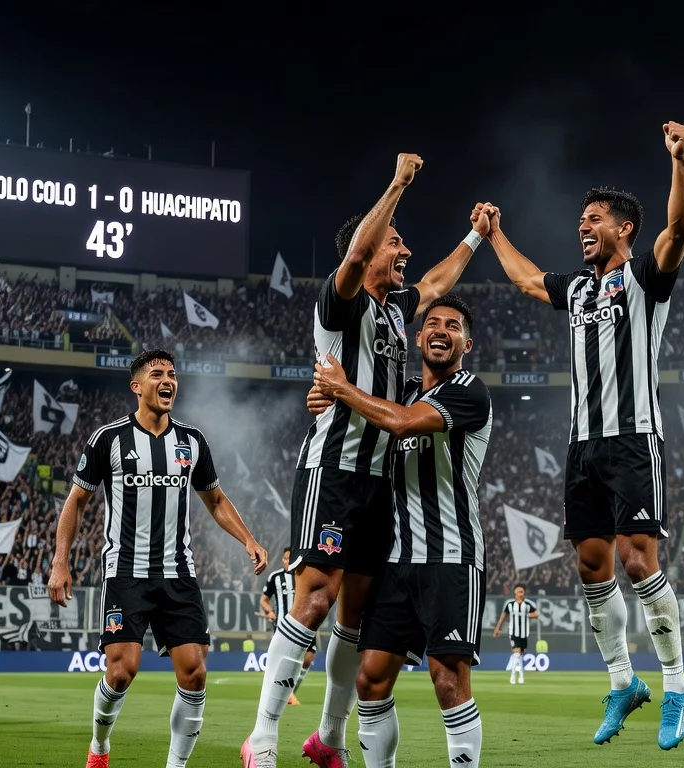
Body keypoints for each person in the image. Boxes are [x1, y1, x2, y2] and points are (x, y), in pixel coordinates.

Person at [244, 154, 485, 768]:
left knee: (355, 616)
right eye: (394, 242)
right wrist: (399, 184)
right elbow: (354, 260)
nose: (402, 251)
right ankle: (264, 732)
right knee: (317, 599)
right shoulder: (342, 300)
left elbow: (435, 283)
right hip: (335, 472)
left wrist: (475, 238)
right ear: (370, 244)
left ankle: (328, 738)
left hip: (383, 488)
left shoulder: (394, 311)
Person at [483, 121, 684, 749]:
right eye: (582, 219)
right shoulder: (575, 288)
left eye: (595, 218)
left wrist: (679, 163)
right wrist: (495, 235)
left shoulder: (645, 281)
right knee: (591, 563)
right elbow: (526, 279)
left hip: (633, 437)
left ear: (623, 229)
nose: (584, 226)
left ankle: (678, 685)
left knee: (637, 557)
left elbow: (678, 230)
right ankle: (624, 681)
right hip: (583, 445)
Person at [48, 348, 268, 768]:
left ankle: (175, 766)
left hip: (178, 573)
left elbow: (216, 499)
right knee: (120, 672)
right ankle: (99, 747)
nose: (167, 380)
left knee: (196, 673)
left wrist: (248, 539)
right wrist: (61, 560)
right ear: (137, 386)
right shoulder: (109, 438)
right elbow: (75, 500)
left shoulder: (191, 441)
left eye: (172, 374)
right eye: (156, 374)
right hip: (125, 573)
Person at [310, 293, 493, 768]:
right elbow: (369, 416)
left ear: (466, 344)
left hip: (450, 555)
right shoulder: (404, 388)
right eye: (433, 323)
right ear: (418, 336)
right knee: (370, 678)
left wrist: (341, 387)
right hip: (396, 561)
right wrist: (324, 397)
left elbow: (403, 423)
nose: (441, 330)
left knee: (447, 678)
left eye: (453, 326)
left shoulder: (469, 391)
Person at [261, 547, 315, 706]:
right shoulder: (275, 577)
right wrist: (270, 611)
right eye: (284, 558)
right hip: (283, 625)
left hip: (305, 624)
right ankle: (283, 695)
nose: (286, 561)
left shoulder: (304, 576)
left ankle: (290, 692)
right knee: (282, 659)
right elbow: (264, 599)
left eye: (289, 558)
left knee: (309, 657)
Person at [492, 584, 539, 685]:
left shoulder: (528, 604)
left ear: (524, 593)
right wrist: (497, 629)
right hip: (513, 632)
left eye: (521, 592)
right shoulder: (510, 604)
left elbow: (536, 614)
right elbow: (503, 617)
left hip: (524, 633)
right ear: (515, 593)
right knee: (517, 654)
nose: (520, 594)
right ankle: (514, 676)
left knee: (521, 655)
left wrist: (528, 615)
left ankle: (521, 676)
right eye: (518, 592)